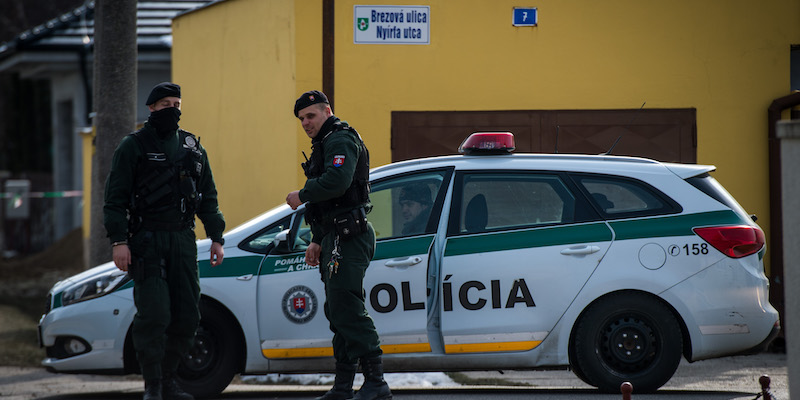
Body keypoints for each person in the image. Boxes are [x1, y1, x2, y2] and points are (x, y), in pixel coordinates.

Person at [104, 82, 226, 400]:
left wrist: (216, 237)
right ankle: (153, 384)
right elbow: (114, 198)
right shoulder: (133, 145)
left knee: (188, 315)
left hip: (183, 239)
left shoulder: (192, 147)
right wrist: (119, 241)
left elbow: (207, 197)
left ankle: (170, 377)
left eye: (177, 103)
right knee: (155, 314)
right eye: (165, 104)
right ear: (152, 108)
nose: (172, 109)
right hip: (147, 240)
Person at [286, 90, 391, 400]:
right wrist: (317, 240)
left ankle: (376, 382)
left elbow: (338, 182)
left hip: (350, 236)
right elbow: (330, 204)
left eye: (311, 116)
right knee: (337, 311)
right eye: (302, 119)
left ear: (326, 111)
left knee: (347, 308)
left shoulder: (340, 139)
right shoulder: (324, 143)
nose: (305, 123)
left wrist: (302, 194)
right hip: (334, 236)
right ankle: (343, 386)